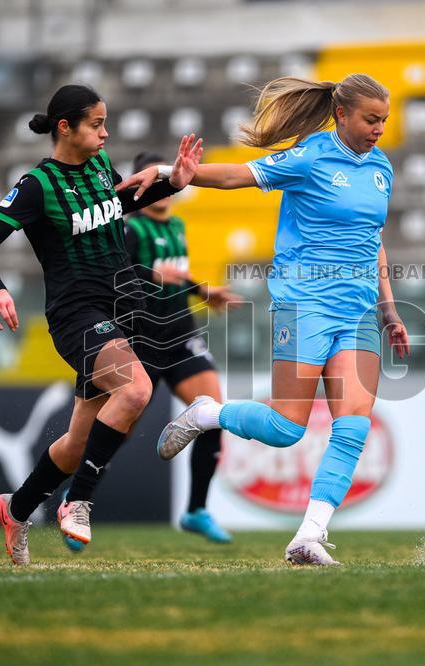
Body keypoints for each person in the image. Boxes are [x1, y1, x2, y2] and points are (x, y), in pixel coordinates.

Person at [119, 74, 410, 566]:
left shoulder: (381, 167)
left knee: (353, 426)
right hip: (305, 305)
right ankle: (208, 413)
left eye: (384, 119)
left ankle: (309, 536)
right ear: (341, 114)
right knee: (286, 428)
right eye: (370, 119)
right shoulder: (312, 157)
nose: (379, 129)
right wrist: (175, 172)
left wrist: (389, 308)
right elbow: (238, 176)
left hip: (358, 312)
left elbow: (373, 238)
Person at [0, 83, 203, 565]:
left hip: (120, 309)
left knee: (77, 443)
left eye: (105, 123)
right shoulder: (38, 185)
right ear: (65, 127)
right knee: (136, 391)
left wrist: (174, 182)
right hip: (78, 314)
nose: (105, 132)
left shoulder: (99, 167)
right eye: (96, 124)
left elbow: (119, 206)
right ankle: (77, 501)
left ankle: (16, 509)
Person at [123, 151, 242, 543]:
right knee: (117, 428)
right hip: (140, 339)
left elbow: (176, 275)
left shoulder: (177, 226)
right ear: (142, 186)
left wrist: (203, 292)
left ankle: (195, 510)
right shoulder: (130, 229)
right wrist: (151, 275)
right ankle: (78, 495)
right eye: (156, 182)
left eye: (169, 181)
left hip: (180, 335)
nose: (164, 190)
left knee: (212, 415)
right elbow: (115, 279)